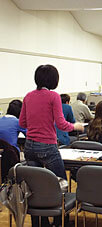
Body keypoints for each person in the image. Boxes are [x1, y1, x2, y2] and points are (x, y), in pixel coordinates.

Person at [19, 64, 84, 227]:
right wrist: (75, 126)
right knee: (60, 183)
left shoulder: (28, 96)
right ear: (54, 80)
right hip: (47, 146)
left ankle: (38, 222)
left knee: (34, 186)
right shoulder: (53, 96)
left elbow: (22, 122)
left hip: (29, 147)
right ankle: (59, 220)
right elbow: (62, 124)